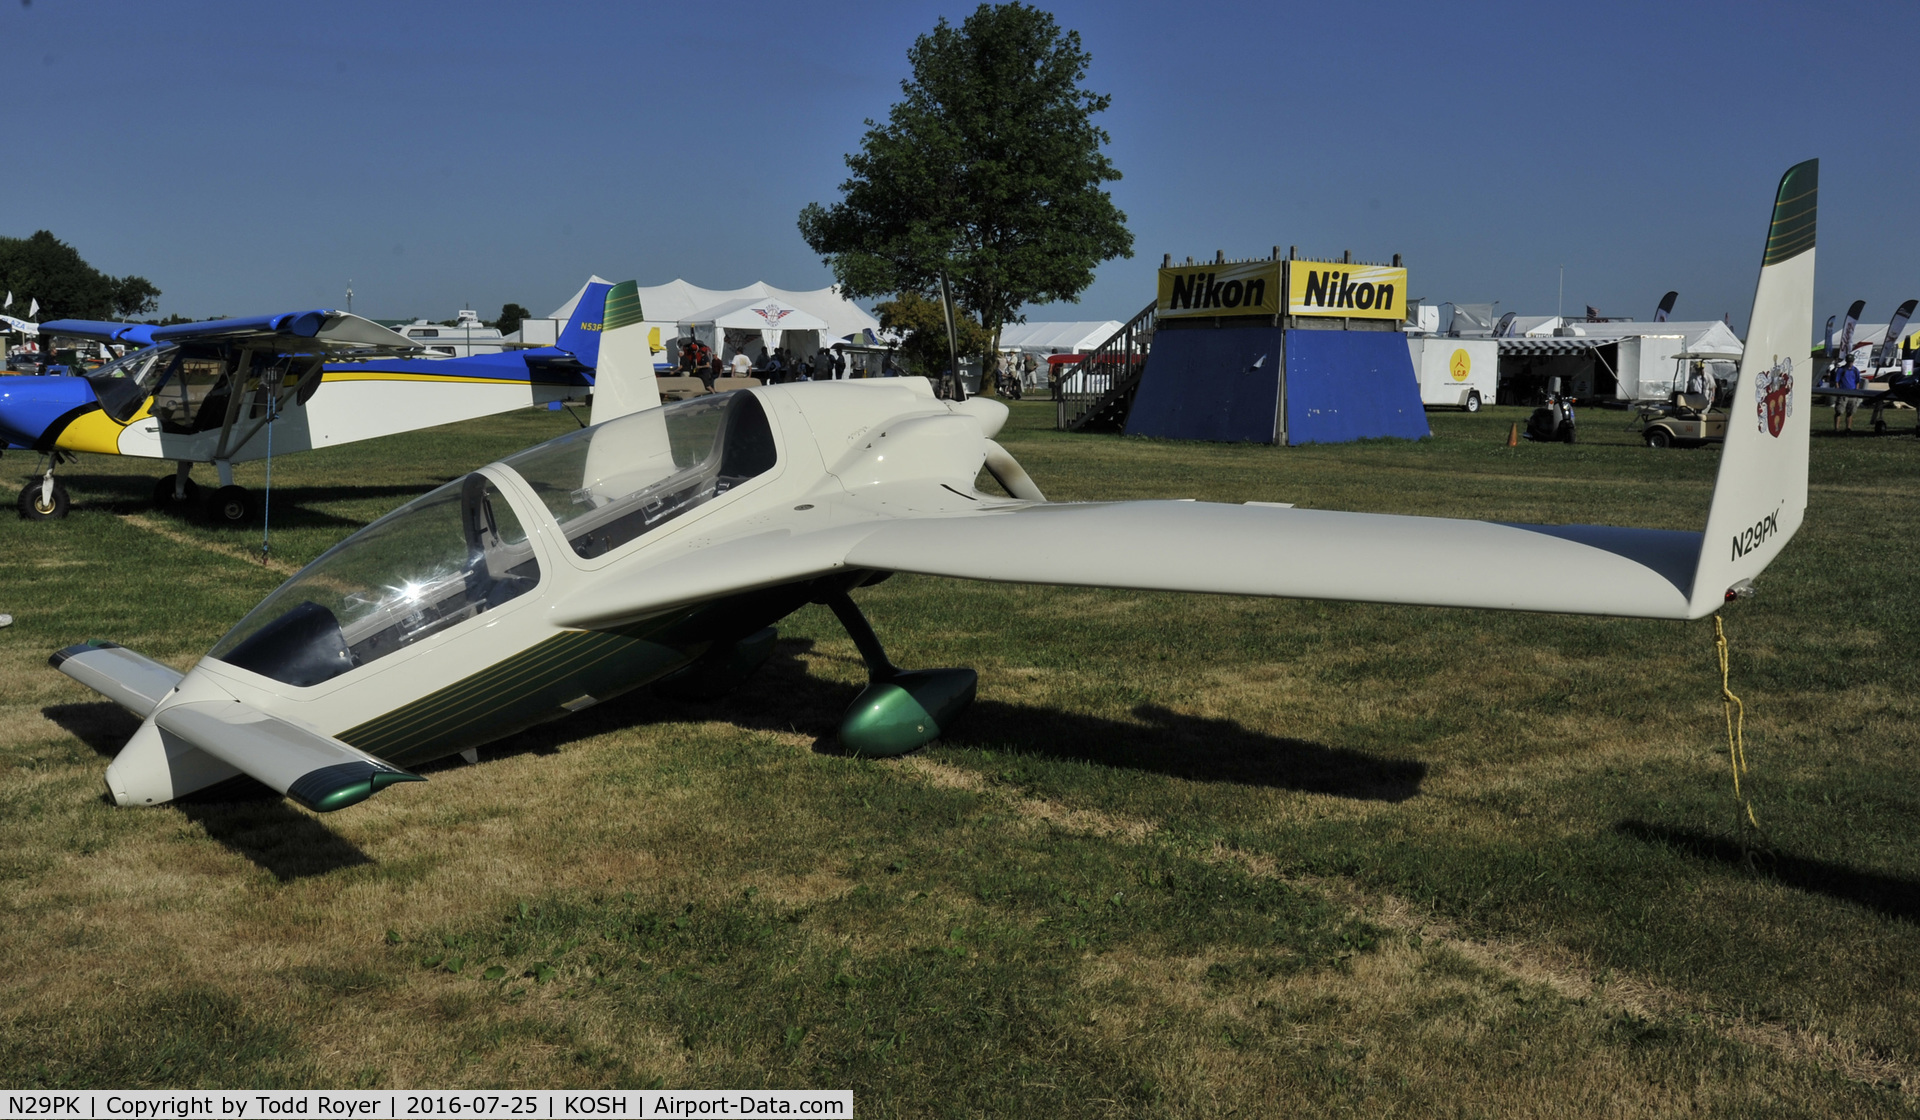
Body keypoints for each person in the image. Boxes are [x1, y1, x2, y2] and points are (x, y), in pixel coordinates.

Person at [1833, 362, 1861, 432]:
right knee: (1839, 411)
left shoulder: (1855, 370)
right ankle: (1836, 428)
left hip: (1852, 394)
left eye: (1851, 361)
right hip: (1843, 394)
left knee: (1850, 412)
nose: (1850, 363)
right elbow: (1837, 381)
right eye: (1849, 361)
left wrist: (1856, 391)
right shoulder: (1841, 370)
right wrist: (1838, 391)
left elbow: (1857, 382)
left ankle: (1848, 428)